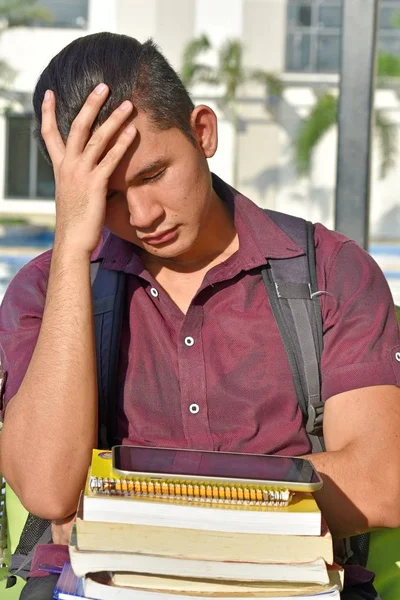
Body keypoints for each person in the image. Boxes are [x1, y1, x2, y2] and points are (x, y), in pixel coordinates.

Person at [0, 32, 399, 600]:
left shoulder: (330, 275)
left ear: (203, 133)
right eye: (106, 196)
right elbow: (47, 489)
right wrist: (70, 248)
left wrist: (127, 494)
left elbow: (382, 482)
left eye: (152, 174)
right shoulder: (47, 286)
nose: (141, 215)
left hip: (289, 585)